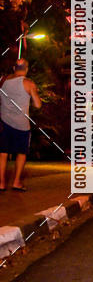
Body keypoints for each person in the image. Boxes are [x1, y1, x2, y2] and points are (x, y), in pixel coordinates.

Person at [0, 59, 42, 191]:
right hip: (21, 125)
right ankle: (16, 182)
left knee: (3, 153)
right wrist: (34, 93)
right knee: (21, 153)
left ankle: (1, 183)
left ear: (14, 68)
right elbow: (38, 105)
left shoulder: (3, 80)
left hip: (4, 122)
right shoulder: (29, 83)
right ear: (27, 69)